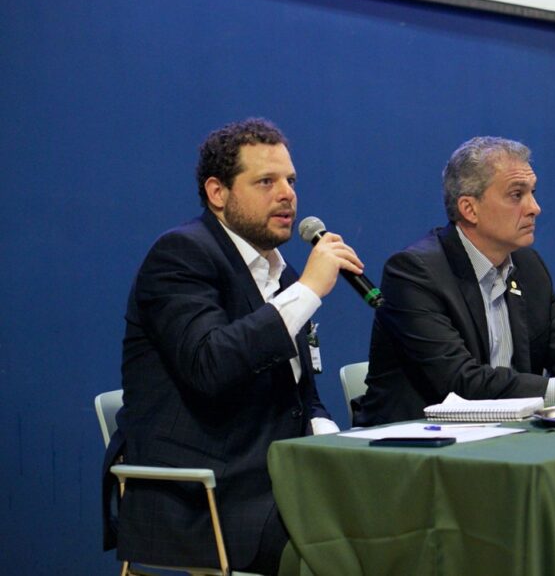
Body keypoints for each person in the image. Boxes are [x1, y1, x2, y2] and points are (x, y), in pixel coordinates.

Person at [104, 118, 365, 574]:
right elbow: (210, 364)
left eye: (290, 181)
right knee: (344, 553)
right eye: (266, 181)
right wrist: (307, 291)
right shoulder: (181, 255)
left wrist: (330, 439)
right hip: (204, 496)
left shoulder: (280, 274)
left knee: (398, 519)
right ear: (217, 193)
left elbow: (298, 391)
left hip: (279, 481)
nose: (287, 194)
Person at [356, 137, 555, 426]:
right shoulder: (415, 272)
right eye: (516, 195)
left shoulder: (528, 266)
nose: (535, 208)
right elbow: (461, 382)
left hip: (504, 434)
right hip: (417, 444)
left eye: (532, 193)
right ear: (469, 208)